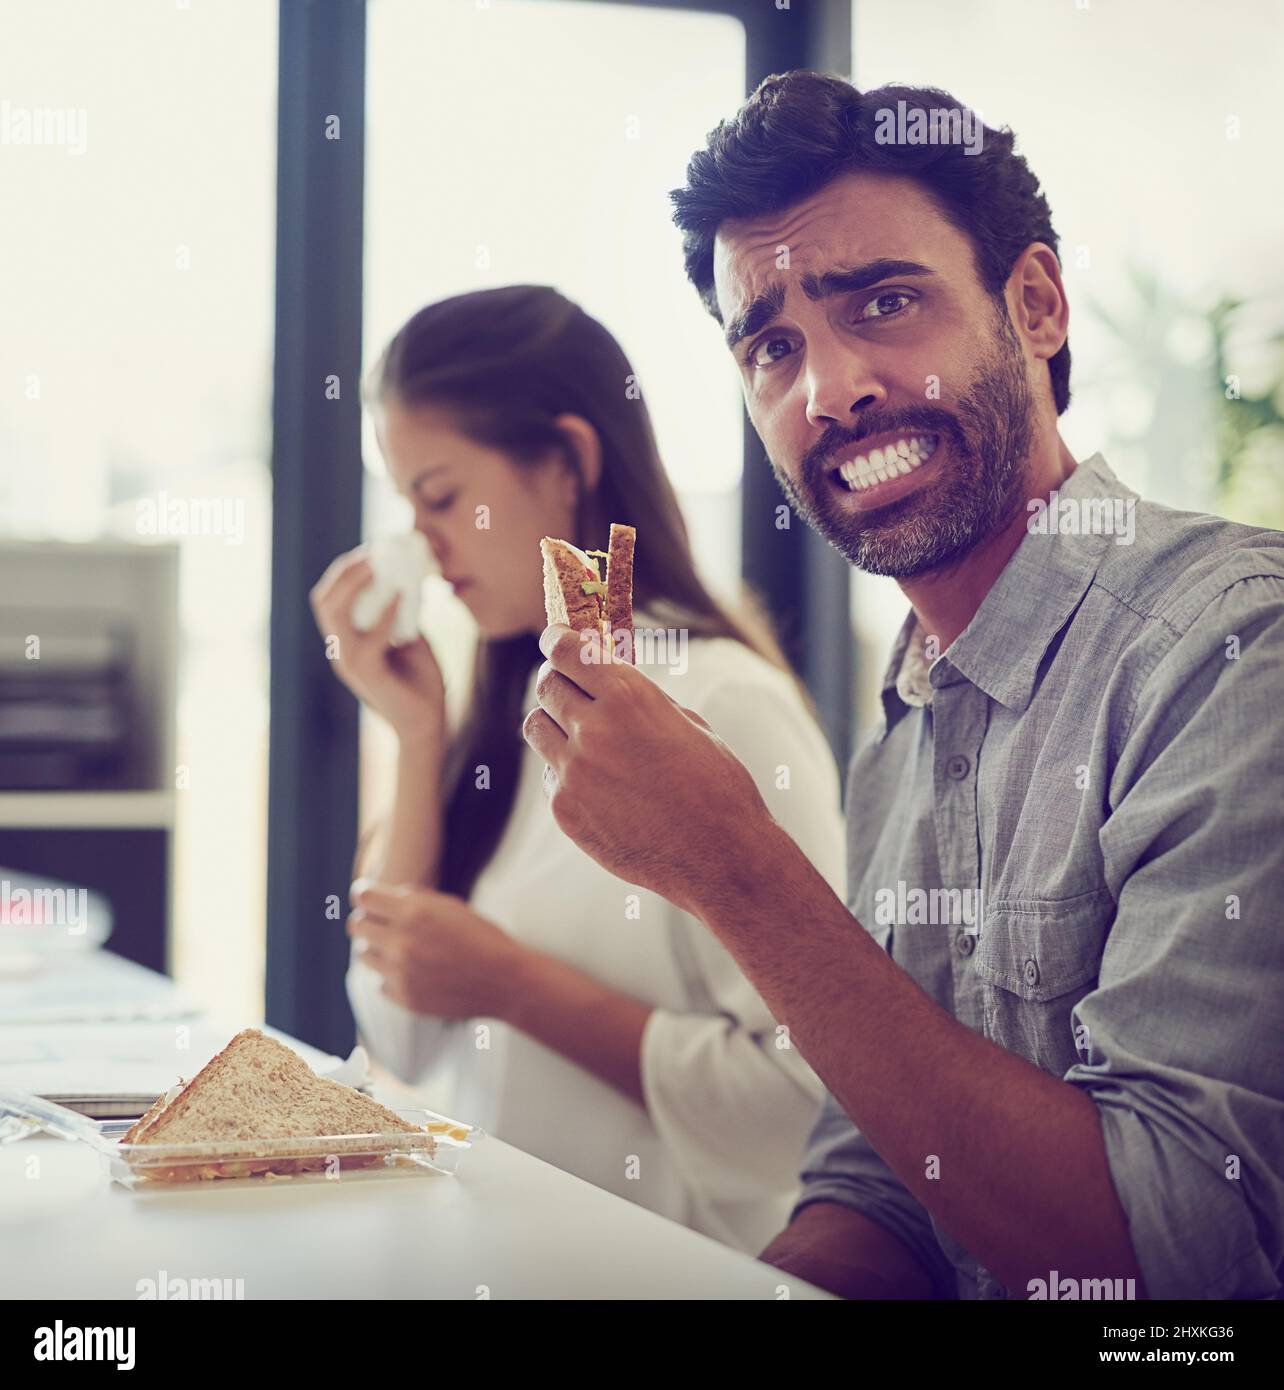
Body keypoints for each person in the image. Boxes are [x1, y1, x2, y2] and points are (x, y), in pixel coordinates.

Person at [523, 74, 1284, 1299]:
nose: (828, 391)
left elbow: (1175, 1258)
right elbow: (881, 1184)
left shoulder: (1230, 653)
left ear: (1033, 305)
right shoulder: (905, 733)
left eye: (883, 301)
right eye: (771, 346)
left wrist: (733, 868)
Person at [309, 284, 846, 1255]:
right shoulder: (508, 712)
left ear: (565, 462)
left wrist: (514, 985)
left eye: (440, 498)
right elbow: (399, 1033)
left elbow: (803, 1106)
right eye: (407, 508)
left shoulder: (722, 707)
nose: (422, 552)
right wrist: (415, 734)